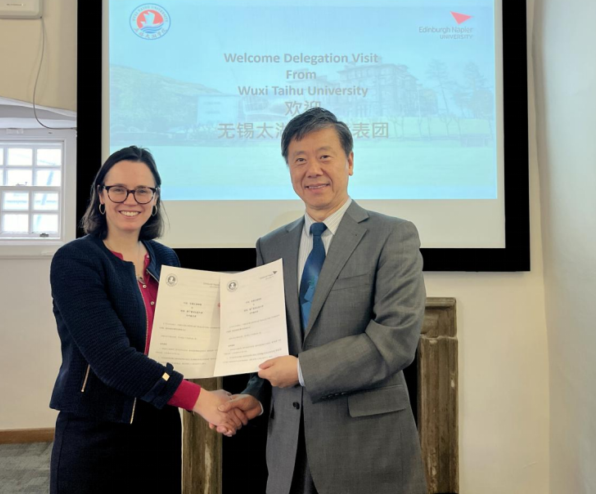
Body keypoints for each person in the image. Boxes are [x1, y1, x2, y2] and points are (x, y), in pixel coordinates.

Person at [217, 108, 428, 494]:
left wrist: (302, 370)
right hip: (288, 447)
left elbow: (395, 339)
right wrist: (255, 395)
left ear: (350, 162)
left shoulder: (392, 235)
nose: (312, 169)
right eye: (300, 160)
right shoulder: (271, 245)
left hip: (366, 448)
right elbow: (269, 339)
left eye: (325, 156)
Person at [48, 146, 243, 493]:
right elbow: (111, 359)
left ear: (155, 198)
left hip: (158, 426)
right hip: (97, 431)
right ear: (101, 195)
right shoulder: (76, 260)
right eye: (118, 189)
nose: (131, 200)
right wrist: (202, 400)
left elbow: (179, 339)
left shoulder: (165, 258)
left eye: (142, 191)